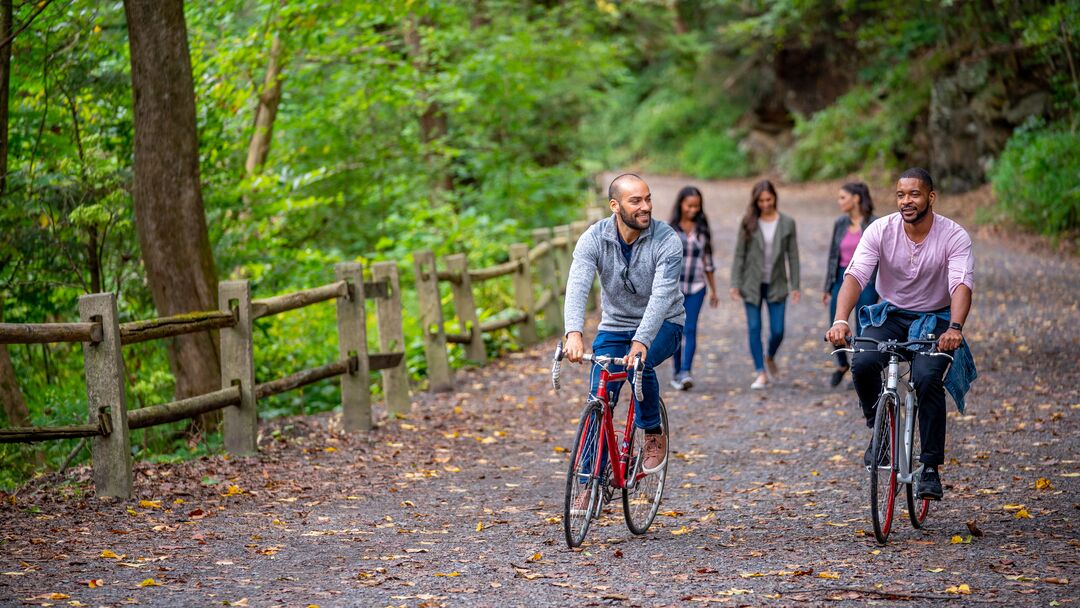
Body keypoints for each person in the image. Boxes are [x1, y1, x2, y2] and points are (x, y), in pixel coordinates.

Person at [826, 167, 977, 501]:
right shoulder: (881, 230)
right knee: (863, 362)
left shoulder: (953, 236)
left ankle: (931, 468)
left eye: (914, 194)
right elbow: (856, 275)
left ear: (930, 197)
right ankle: (877, 429)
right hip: (891, 313)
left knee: (926, 379)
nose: (906, 201)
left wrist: (954, 327)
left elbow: (961, 283)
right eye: (900, 194)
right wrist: (840, 320)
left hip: (936, 319)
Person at [563, 173, 685, 512]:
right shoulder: (594, 239)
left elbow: (662, 297)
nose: (645, 207)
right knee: (598, 395)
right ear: (615, 206)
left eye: (648, 199)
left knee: (638, 364)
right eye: (636, 201)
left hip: (664, 324)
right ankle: (589, 483)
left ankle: (652, 431)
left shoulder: (667, 240)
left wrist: (642, 341)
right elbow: (578, 283)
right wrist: (573, 331)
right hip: (615, 327)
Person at [730, 179, 800, 390]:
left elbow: (793, 256)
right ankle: (760, 372)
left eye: (769, 199)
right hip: (751, 283)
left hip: (777, 283)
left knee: (778, 330)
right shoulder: (748, 221)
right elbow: (739, 254)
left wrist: (795, 285)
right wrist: (735, 283)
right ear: (756, 201)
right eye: (761, 200)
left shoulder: (787, 223)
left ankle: (769, 355)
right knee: (754, 327)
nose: (765, 204)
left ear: (775, 198)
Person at [822, 182, 879, 387]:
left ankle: (859, 368)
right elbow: (832, 255)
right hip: (841, 276)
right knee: (836, 322)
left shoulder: (874, 223)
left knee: (863, 324)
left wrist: (882, 288)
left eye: (843, 197)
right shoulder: (840, 223)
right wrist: (828, 286)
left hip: (868, 279)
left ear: (856, 198)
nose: (840, 202)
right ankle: (841, 363)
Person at [668, 186, 719, 391]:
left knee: (690, 328)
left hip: (697, 288)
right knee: (676, 331)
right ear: (681, 204)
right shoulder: (670, 229)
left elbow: (708, 262)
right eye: (689, 205)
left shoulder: (703, 230)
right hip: (674, 289)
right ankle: (676, 372)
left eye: (697, 206)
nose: (693, 209)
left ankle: (686, 372)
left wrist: (714, 290)